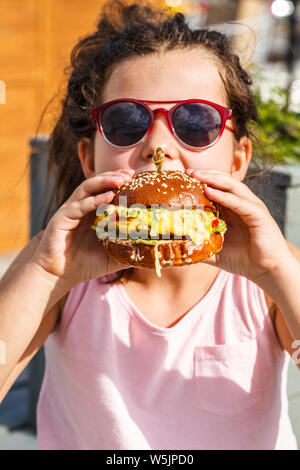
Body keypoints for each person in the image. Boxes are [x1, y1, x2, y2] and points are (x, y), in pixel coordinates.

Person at [0, 0, 300, 451]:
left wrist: (276, 270)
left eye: (195, 123)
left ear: (238, 159)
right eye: (127, 122)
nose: (158, 147)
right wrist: (45, 275)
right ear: (88, 158)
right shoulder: (54, 271)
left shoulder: (272, 278)